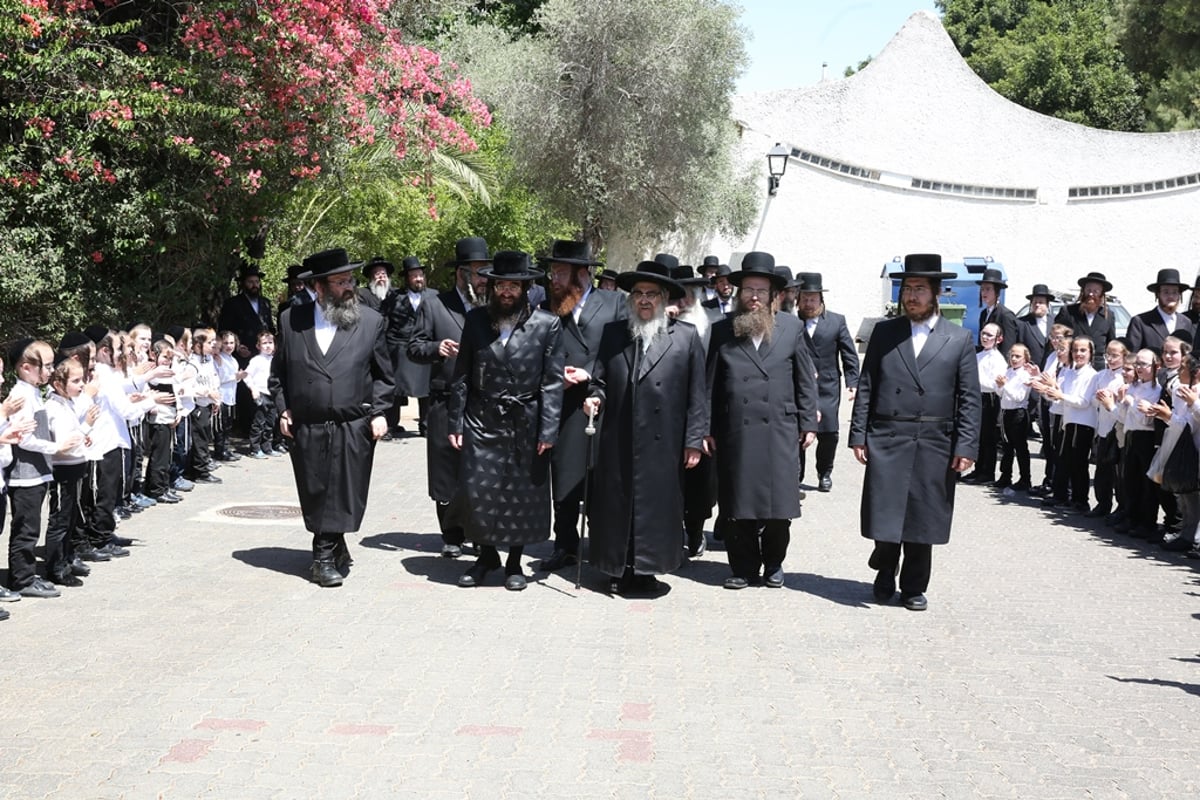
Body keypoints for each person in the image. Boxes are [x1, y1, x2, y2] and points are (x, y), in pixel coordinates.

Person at [850, 253, 982, 612]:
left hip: (935, 440)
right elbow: (867, 385)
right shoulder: (884, 332)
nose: (911, 296)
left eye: (920, 289)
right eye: (907, 288)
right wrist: (858, 434)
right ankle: (884, 567)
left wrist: (966, 445)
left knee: (924, 517)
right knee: (887, 511)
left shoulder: (958, 339)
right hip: (888, 435)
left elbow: (969, 398)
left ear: (937, 293)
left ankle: (913, 587)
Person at [270, 247, 395, 587]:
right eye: (340, 282)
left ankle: (330, 548)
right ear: (320, 288)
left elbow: (384, 375)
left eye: (350, 279)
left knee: (345, 491)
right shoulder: (290, 321)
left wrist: (381, 411)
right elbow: (277, 374)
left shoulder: (370, 321)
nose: (349, 287)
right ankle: (324, 555)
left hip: (353, 424)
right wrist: (283, 407)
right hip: (307, 425)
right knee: (317, 491)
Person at [584, 262, 707, 595]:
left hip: (663, 441)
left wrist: (694, 440)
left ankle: (647, 570)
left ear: (664, 298)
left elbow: (698, 396)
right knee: (617, 503)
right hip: (618, 437)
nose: (644, 300)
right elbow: (599, 379)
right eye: (638, 293)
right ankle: (617, 566)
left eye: (651, 294)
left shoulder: (685, 336)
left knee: (655, 506)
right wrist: (594, 397)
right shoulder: (614, 333)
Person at [448, 251, 564, 591]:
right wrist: (456, 423)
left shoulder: (547, 324)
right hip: (482, 419)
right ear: (492, 286)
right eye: (501, 285)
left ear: (526, 288)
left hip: (526, 421)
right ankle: (486, 556)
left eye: (514, 285)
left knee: (521, 494)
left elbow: (553, 381)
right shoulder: (475, 321)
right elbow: (461, 377)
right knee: (478, 492)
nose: (507, 292)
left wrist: (549, 429)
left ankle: (514, 562)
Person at [707, 251, 819, 590]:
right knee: (738, 505)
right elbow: (707, 385)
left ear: (774, 295)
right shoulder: (722, 331)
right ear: (740, 293)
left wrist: (808, 423)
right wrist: (705, 429)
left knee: (777, 508)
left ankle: (773, 564)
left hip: (779, 430)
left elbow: (805, 379)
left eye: (761, 290)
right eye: (748, 290)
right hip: (735, 430)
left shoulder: (792, 328)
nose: (754, 296)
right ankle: (742, 567)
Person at [539, 239, 627, 572]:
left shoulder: (615, 303)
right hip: (564, 405)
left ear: (581, 274)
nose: (555, 279)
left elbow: (623, 349)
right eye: (553, 272)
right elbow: (539, 350)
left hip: (603, 401)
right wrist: (554, 374)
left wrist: (591, 373)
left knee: (601, 478)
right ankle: (565, 546)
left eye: (561, 272)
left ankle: (603, 543)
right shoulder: (548, 307)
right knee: (564, 479)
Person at [408, 238, 492, 558]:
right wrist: (436, 348)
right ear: (461, 273)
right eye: (477, 272)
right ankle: (452, 534)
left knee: (481, 469)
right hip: (445, 399)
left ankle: (480, 531)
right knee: (447, 471)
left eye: (486, 272)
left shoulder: (491, 305)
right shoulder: (434, 305)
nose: (484, 279)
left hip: (482, 400)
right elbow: (413, 347)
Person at [795, 272, 859, 493]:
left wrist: (853, 380)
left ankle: (825, 473)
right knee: (798, 432)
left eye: (813, 298)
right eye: (805, 298)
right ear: (798, 300)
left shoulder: (836, 321)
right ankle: (796, 476)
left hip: (827, 387)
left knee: (828, 433)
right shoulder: (790, 322)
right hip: (799, 387)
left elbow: (849, 353)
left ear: (821, 299)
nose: (809, 303)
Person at [386, 256, 437, 437]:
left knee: (426, 390)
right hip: (400, 349)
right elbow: (387, 323)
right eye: (414, 276)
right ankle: (391, 426)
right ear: (407, 278)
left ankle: (426, 426)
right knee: (397, 390)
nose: (418, 279)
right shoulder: (394, 297)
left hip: (424, 347)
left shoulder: (434, 296)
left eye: (420, 275)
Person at [962, 322, 1006, 485]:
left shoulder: (997, 359)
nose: (985, 337)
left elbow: (995, 384)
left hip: (989, 399)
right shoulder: (979, 354)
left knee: (988, 436)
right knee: (978, 435)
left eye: (989, 335)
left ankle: (987, 471)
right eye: (983, 333)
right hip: (977, 396)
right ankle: (978, 469)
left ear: (998, 339)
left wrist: (975, 380)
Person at [1054, 271, 1115, 370]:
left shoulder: (1108, 315)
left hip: (1097, 369)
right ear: (1083, 291)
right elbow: (1056, 339)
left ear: (1102, 294)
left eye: (1096, 291)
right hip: (1072, 367)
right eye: (1088, 290)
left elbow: (1111, 343)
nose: (1091, 294)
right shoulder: (1068, 312)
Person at [1125, 268, 1195, 353]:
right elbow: (1132, 356)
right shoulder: (1140, 322)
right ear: (1157, 294)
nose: (1171, 296)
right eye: (1166, 292)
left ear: (1179, 295)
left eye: (1175, 292)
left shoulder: (1186, 322)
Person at [219, 262, 276, 361]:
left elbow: (269, 327)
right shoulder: (232, 303)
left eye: (257, 282)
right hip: (244, 352)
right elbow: (225, 329)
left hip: (263, 352)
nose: (254, 285)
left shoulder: (265, 302)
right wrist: (237, 346)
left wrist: (272, 344)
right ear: (243, 284)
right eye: (250, 282)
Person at [976, 267, 1018, 357]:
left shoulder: (1005, 315)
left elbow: (1008, 346)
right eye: (982, 289)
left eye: (988, 289)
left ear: (997, 292)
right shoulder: (984, 313)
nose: (984, 292)